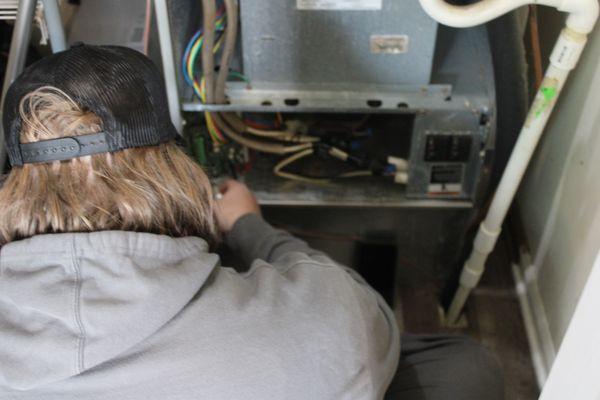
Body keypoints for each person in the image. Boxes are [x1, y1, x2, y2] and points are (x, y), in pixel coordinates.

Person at [0, 45, 503, 400]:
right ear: (175, 167)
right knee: (466, 368)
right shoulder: (313, 326)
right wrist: (249, 227)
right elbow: (362, 314)